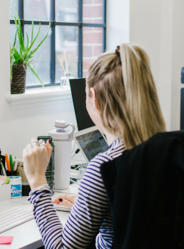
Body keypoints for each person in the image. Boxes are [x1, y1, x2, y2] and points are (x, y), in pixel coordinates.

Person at [22, 43, 166, 248]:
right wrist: (88, 206)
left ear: (94, 98)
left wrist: (37, 182)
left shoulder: (105, 167)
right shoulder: (167, 150)